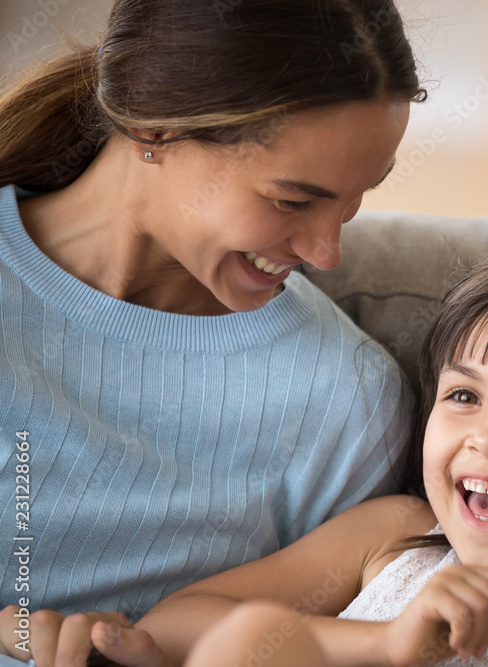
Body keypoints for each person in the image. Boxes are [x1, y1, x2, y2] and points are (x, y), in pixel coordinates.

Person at [0, 1, 423, 664]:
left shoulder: (346, 397)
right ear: (154, 126)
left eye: (355, 197)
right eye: (292, 199)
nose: (326, 251)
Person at [48, 246, 488, 666]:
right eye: (465, 394)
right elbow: (179, 623)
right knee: (253, 642)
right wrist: (386, 645)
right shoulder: (400, 537)